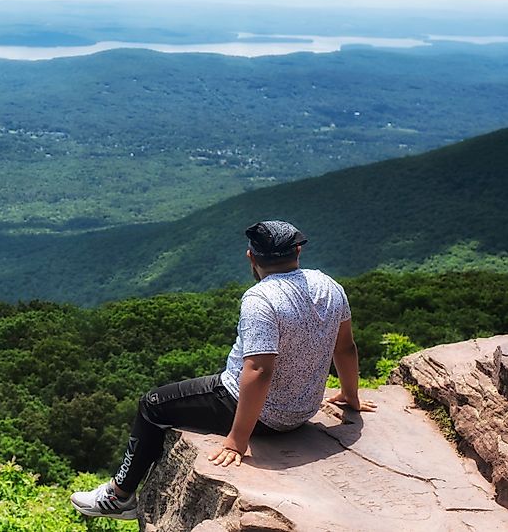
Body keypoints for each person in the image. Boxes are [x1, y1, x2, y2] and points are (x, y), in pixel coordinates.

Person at [70, 220, 377, 520]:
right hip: (303, 411)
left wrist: (237, 440)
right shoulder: (328, 285)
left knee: (152, 404)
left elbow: (258, 370)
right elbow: (345, 347)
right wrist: (350, 395)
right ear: (297, 252)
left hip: (262, 416)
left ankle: (119, 495)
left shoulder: (261, 298)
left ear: (251, 257)